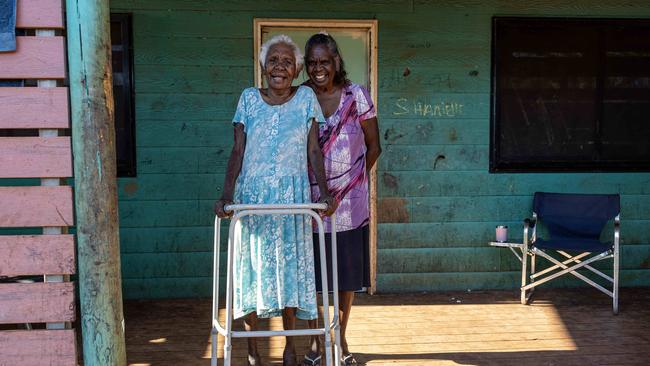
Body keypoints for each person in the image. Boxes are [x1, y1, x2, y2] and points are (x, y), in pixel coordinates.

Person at [214, 34, 337, 366]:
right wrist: (226, 195)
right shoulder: (248, 99)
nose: (279, 67)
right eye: (273, 60)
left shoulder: (306, 98)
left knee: (289, 273)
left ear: (297, 70)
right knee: (250, 272)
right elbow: (237, 150)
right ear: (263, 67)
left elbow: (314, 150)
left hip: (291, 199)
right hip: (252, 200)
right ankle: (252, 350)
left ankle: (289, 347)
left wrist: (323, 193)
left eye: (287, 62)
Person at [303, 33, 382, 366]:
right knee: (314, 276)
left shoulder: (356, 95)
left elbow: (374, 145)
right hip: (308, 203)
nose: (319, 68)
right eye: (312, 62)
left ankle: (341, 335)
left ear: (336, 61)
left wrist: (354, 181)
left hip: (351, 206)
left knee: (346, 277)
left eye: (325, 61)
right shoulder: (300, 97)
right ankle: (316, 341)